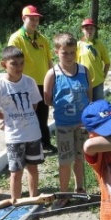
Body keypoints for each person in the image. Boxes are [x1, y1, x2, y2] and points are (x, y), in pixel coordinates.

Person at [43, 33, 93, 208]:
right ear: (56, 52)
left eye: (72, 52)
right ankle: (63, 194)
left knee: (80, 158)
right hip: (63, 125)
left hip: (81, 125)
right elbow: (47, 99)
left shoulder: (83, 71)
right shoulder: (53, 74)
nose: (69, 57)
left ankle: (80, 189)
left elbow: (89, 96)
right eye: (65, 53)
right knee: (65, 161)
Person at [0, 46, 44, 200]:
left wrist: (20, 116)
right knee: (16, 172)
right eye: (14, 63)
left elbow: (34, 105)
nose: (19, 67)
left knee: (33, 168)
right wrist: (7, 118)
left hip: (33, 133)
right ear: (3, 64)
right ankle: (16, 202)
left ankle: (34, 199)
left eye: (21, 63)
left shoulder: (30, 82)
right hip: (14, 136)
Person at [8, 5, 56, 153]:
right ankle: (31, 146)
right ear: (23, 18)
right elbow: (12, 62)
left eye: (37, 19)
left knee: (43, 115)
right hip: (25, 84)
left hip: (43, 83)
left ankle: (46, 143)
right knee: (28, 116)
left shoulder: (42, 39)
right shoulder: (16, 38)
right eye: (31, 19)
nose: (35, 22)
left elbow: (49, 61)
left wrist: (53, 79)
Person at [77, 18, 110, 101]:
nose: (89, 31)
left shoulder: (99, 44)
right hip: (83, 82)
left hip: (97, 82)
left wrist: (104, 75)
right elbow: (74, 64)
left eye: (91, 28)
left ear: (95, 30)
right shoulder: (78, 45)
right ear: (82, 30)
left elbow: (107, 62)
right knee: (84, 106)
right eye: (86, 28)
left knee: (98, 107)